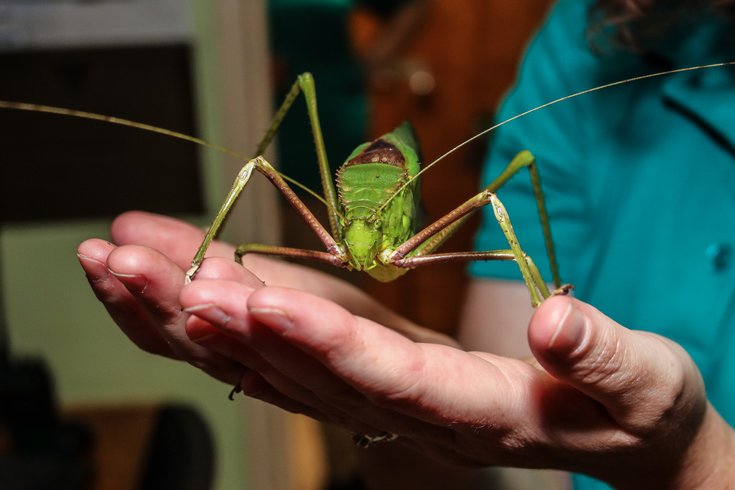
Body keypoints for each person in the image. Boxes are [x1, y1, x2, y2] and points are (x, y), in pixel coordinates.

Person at [77, 0, 735, 488]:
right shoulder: (589, 34)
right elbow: (500, 371)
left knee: (500, 191)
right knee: (257, 171)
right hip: (355, 201)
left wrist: (693, 462)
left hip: (393, 207)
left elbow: (513, 245)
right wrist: (402, 401)